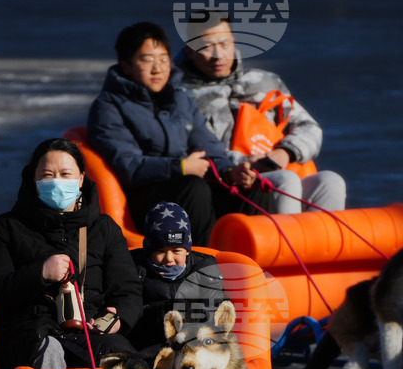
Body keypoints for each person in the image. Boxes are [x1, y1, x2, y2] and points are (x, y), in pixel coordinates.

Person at [87, 21, 276, 247]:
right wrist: (180, 167)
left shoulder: (180, 99)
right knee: (193, 187)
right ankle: (207, 267)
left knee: (253, 189)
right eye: (147, 60)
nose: (157, 68)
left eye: (163, 59)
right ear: (126, 65)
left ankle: (255, 265)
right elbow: (129, 166)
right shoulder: (109, 106)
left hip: (188, 192)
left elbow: (208, 145)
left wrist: (229, 172)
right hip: (143, 201)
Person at [0, 138, 142, 369]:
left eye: (66, 174)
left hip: (90, 330)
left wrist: (117, 318)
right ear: (33, 180)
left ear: (81, 179)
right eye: (47, 175)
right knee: (48, 352)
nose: (57, 182)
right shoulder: (9, 227)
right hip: (32, 331)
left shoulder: (104, 228)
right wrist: (40, 273)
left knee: (122, 361)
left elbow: (128, 290)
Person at [174, 15, 347, 214]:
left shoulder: (263, 81)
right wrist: (250, 163)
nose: (218, 55)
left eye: (224, 44)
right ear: (189, 50)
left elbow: (309, 127)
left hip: (280, 168)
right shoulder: (182, 96)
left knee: (330, 182)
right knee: (285, 180)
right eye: (206, 47)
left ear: (233, 42)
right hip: (230, 187)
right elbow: (199, 152)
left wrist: (285, 152)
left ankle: (326, 245)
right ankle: (285, 244)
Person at [127, 202, 228, 352]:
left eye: (176, 251)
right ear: (149, 251)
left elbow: (217, 308)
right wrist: (162, 313)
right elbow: (129, 312)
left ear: (187, 251)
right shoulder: (136, 270)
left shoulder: (204, 269)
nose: (168, 258)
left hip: (195, 347)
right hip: (150, 346)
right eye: (160, 250)